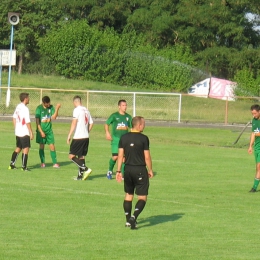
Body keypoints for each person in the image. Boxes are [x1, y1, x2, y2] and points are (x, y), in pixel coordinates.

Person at [116, 116, 153, 229]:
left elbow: (120, 155)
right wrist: (150, 169)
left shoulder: (124, 137)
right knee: (142, 197)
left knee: (128, 195)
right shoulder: (144, 138)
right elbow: (147, 157)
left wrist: (118, 171)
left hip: (127, 169)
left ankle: (128, 220)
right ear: (139, 125)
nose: (144, 126)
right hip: (140, 170)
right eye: (144, 124)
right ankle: (133, 217)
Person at [67, 95, 93, 181]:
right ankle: (80, 176)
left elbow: (74, 123)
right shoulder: (86, 110)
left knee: (71, 156)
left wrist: (69, 135)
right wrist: (87, 131)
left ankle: (85, 169)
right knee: (81, 156)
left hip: (78, 137)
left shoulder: (76, 110)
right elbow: (91, 123)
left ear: (75, 102)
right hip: (86, 137)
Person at [104, 99, 132, 179]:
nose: (125, 107)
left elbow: (132, 127)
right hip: (116, 140)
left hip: (125, 140)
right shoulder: (114, 116)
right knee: (115, 157)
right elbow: (106, 124)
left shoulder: (128, 117)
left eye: (126, 105)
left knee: (124, 158)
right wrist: (107, 132)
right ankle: (109, 171)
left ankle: (122, 175)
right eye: (123, 105)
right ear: (119, 106)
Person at [8, 93, 34, 171]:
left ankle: (11, 164)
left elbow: (14, 118)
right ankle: (24, 167)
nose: (29, 99)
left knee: (18, 147)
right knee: (26, 149)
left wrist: (16, 127)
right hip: (24, 132)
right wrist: (31, 132)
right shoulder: (25, 109)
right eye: (28, 98)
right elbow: (27, 122)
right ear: (25, 99)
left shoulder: (18, 106)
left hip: (18, 131)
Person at [35, 96, 61, 168]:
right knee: (41, 146)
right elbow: (37, 121)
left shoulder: (51, 107)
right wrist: (41, 131)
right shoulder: (39, 108)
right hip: (41, 131)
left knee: (52, 146)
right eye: (47, 103)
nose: (48, 104)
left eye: (49, 103)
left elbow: (54, 117)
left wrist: (57, 108)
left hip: (49, 131)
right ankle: (42, 162)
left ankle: (55, 163)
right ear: (43, 103)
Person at [248, 104, 260, 192]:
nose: (254, 115)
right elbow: (253, 133)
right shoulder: (254, 121)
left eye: (255, 113)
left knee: (259, 167)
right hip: (257, 147)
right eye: (252, 114)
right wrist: (250, 146)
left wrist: (257, 134)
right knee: (257, 168)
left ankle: (254, 188)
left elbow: (257, 134)